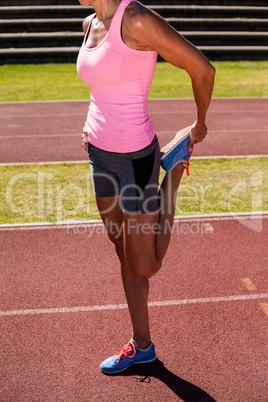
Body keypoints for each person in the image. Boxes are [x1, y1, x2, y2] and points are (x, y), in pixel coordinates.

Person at [76, 0, 215, 374]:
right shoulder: (90, 22)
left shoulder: (135, 19)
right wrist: (90, 127)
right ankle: (142, 346)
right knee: (121, 249)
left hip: (136, 159)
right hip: (99, 154)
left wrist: (198, 126)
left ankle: (173, 174)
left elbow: (202, 68)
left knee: (145, 265)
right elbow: (100, 85)